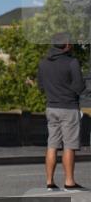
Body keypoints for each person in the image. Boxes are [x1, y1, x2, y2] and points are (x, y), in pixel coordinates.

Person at [37, 32, 88, 191]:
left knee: (52, 145)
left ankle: (49, 182)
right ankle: (69, 182)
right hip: (69, 107)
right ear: (66, 45)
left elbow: (40, 86)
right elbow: (79, 87)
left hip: (51, 107)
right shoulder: (72, 62)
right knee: (69, 145)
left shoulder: (43, 63)